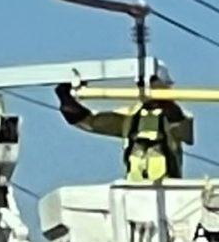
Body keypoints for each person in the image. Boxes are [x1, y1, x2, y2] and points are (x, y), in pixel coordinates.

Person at [55, 68, 193, 181]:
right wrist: (65, 96)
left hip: (169, 192)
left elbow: (178, 120)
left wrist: (156, 89)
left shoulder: (178, 116)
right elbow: (87, 121)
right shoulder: (130, 116)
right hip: (134, 191)